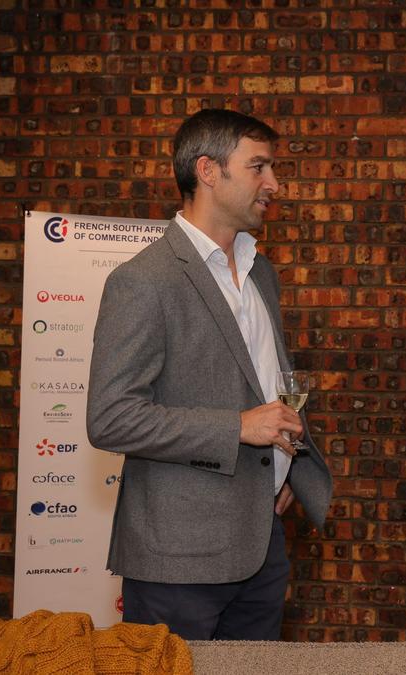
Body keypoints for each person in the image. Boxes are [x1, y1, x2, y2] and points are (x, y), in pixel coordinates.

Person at [87, 109, 333, 641]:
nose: (274, 183)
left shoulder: (260, 272)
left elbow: (260, 381)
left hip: (262, 542)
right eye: (258, 167)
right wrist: (238, 427)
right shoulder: (144, 281)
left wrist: (286, 468)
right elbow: (111, 418)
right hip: (179, 561)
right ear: (208, 171)